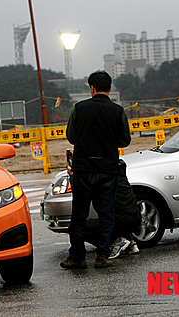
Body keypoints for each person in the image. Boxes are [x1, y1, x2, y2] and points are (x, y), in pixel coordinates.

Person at [60, 70, 131, 269]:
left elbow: (72, 137)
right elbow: (124, 140)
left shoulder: (79, 109)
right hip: (108, 170)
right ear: (109, 88)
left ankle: (77, 256)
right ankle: (102, 255)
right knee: (106, 213)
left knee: (79, 214)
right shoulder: (118, 111)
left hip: (83, 170)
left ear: (91, 88)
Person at [66, 151, 141, 259]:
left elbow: (83, 191)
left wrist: (74, 176)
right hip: (134, 218)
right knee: (113, 214)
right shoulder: (115, 169)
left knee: (75, 228)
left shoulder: (99, 176)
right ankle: (131, 243)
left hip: (120, 220)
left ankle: (115, 242)